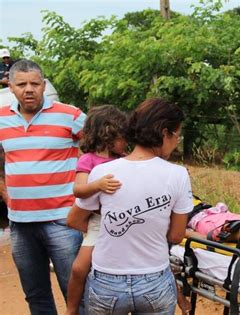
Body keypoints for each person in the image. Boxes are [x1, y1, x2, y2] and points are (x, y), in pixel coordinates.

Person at [67, 98, 193, 314]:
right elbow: (175, 236)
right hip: (154, 281)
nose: (176, 142)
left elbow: (74, 220)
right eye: (176, 136)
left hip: (107, 281)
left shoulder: (103, 173)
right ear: (164, 133)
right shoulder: (178, 174)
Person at [0, 59, 86, 314]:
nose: (29, 89)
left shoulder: (70, 115)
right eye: (22, 84)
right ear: (11, 87)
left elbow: (102, 146)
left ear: (44, 85)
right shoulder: (1, 119)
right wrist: (7, 195)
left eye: (35, 83)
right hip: (20, 224)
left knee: (75, 292)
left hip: (63, 220)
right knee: (35, 294)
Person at [65, 105, 128, 315]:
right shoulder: (88, 159)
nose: (126, 142)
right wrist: (97, 185)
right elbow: (78, 189)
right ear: (107, 134)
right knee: (79, 268)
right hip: (97, 222)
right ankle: (72, 308)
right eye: (122, 137)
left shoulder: (124, 160)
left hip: (122, 221)